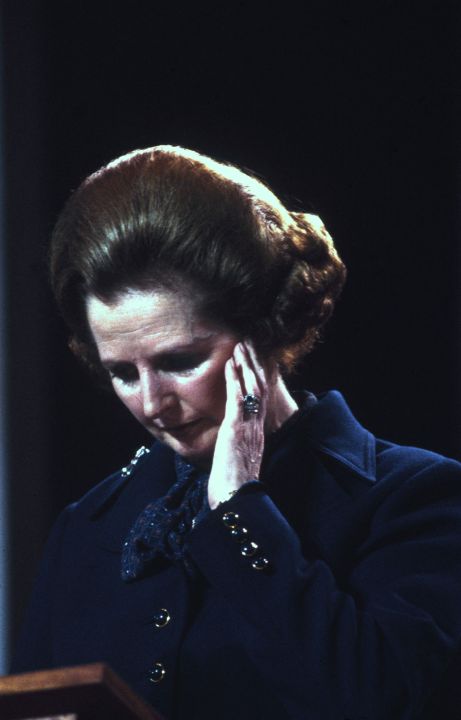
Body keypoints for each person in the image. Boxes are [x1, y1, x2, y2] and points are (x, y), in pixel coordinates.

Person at [11, 146, 461, 719]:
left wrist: (237, 507)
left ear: (268, 328)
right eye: (122, 373)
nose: (151, 404)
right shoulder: (88, 527)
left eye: (180, 361)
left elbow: (373, 702)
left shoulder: (414, 500)